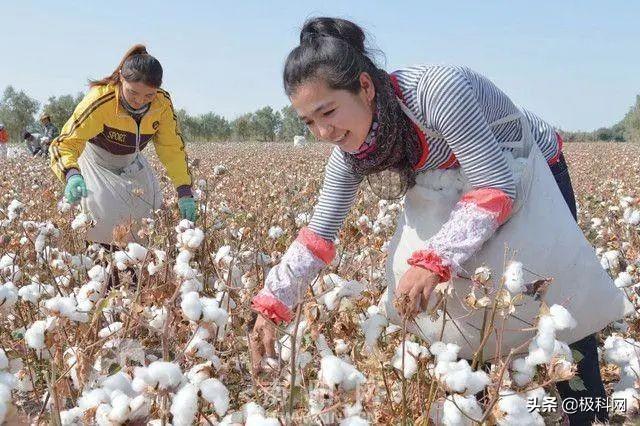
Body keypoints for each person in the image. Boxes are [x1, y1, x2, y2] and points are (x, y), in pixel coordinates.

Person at [249, 17, 621, 425]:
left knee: (562, 302)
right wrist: (273, 304)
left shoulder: (437, 92)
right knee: (461, 306)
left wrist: (434, 259)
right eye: (308, 122)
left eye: (328, 112)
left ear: (366, 87)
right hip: (465, 184)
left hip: (530, 171)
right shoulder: (352, 152)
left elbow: (496, 185)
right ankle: (480, 405)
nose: (322, 131)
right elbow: (318, 236)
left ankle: (589, 413)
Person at [49, 44, 197, 246]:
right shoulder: (101, 99)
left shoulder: (161, 104)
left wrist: (184, 191)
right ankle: (102, 263)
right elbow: (64, 143)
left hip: (131, 159)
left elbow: (172, 149)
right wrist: (72, 174)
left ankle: (136, 267)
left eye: (149, 96)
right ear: (121, 78)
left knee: (149, 209)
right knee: (101, 214)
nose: (139, 101)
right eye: (133, 92)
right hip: (97, 160)